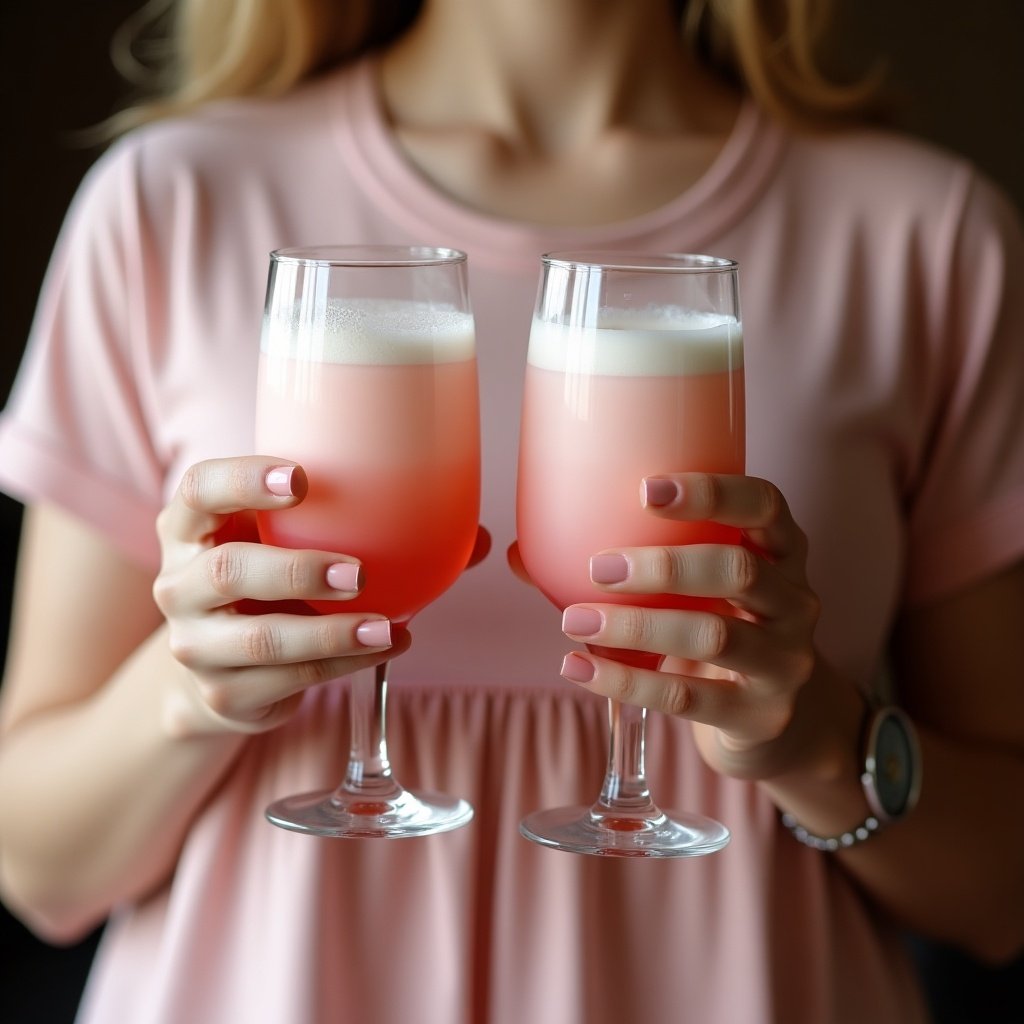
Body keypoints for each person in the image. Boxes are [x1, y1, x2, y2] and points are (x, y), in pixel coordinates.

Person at [0, 1, 1022, 1021]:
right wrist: (189, 694)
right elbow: (35, 866)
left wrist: (813, 741)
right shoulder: (169, 200)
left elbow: (999, 897)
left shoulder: (923, 234)